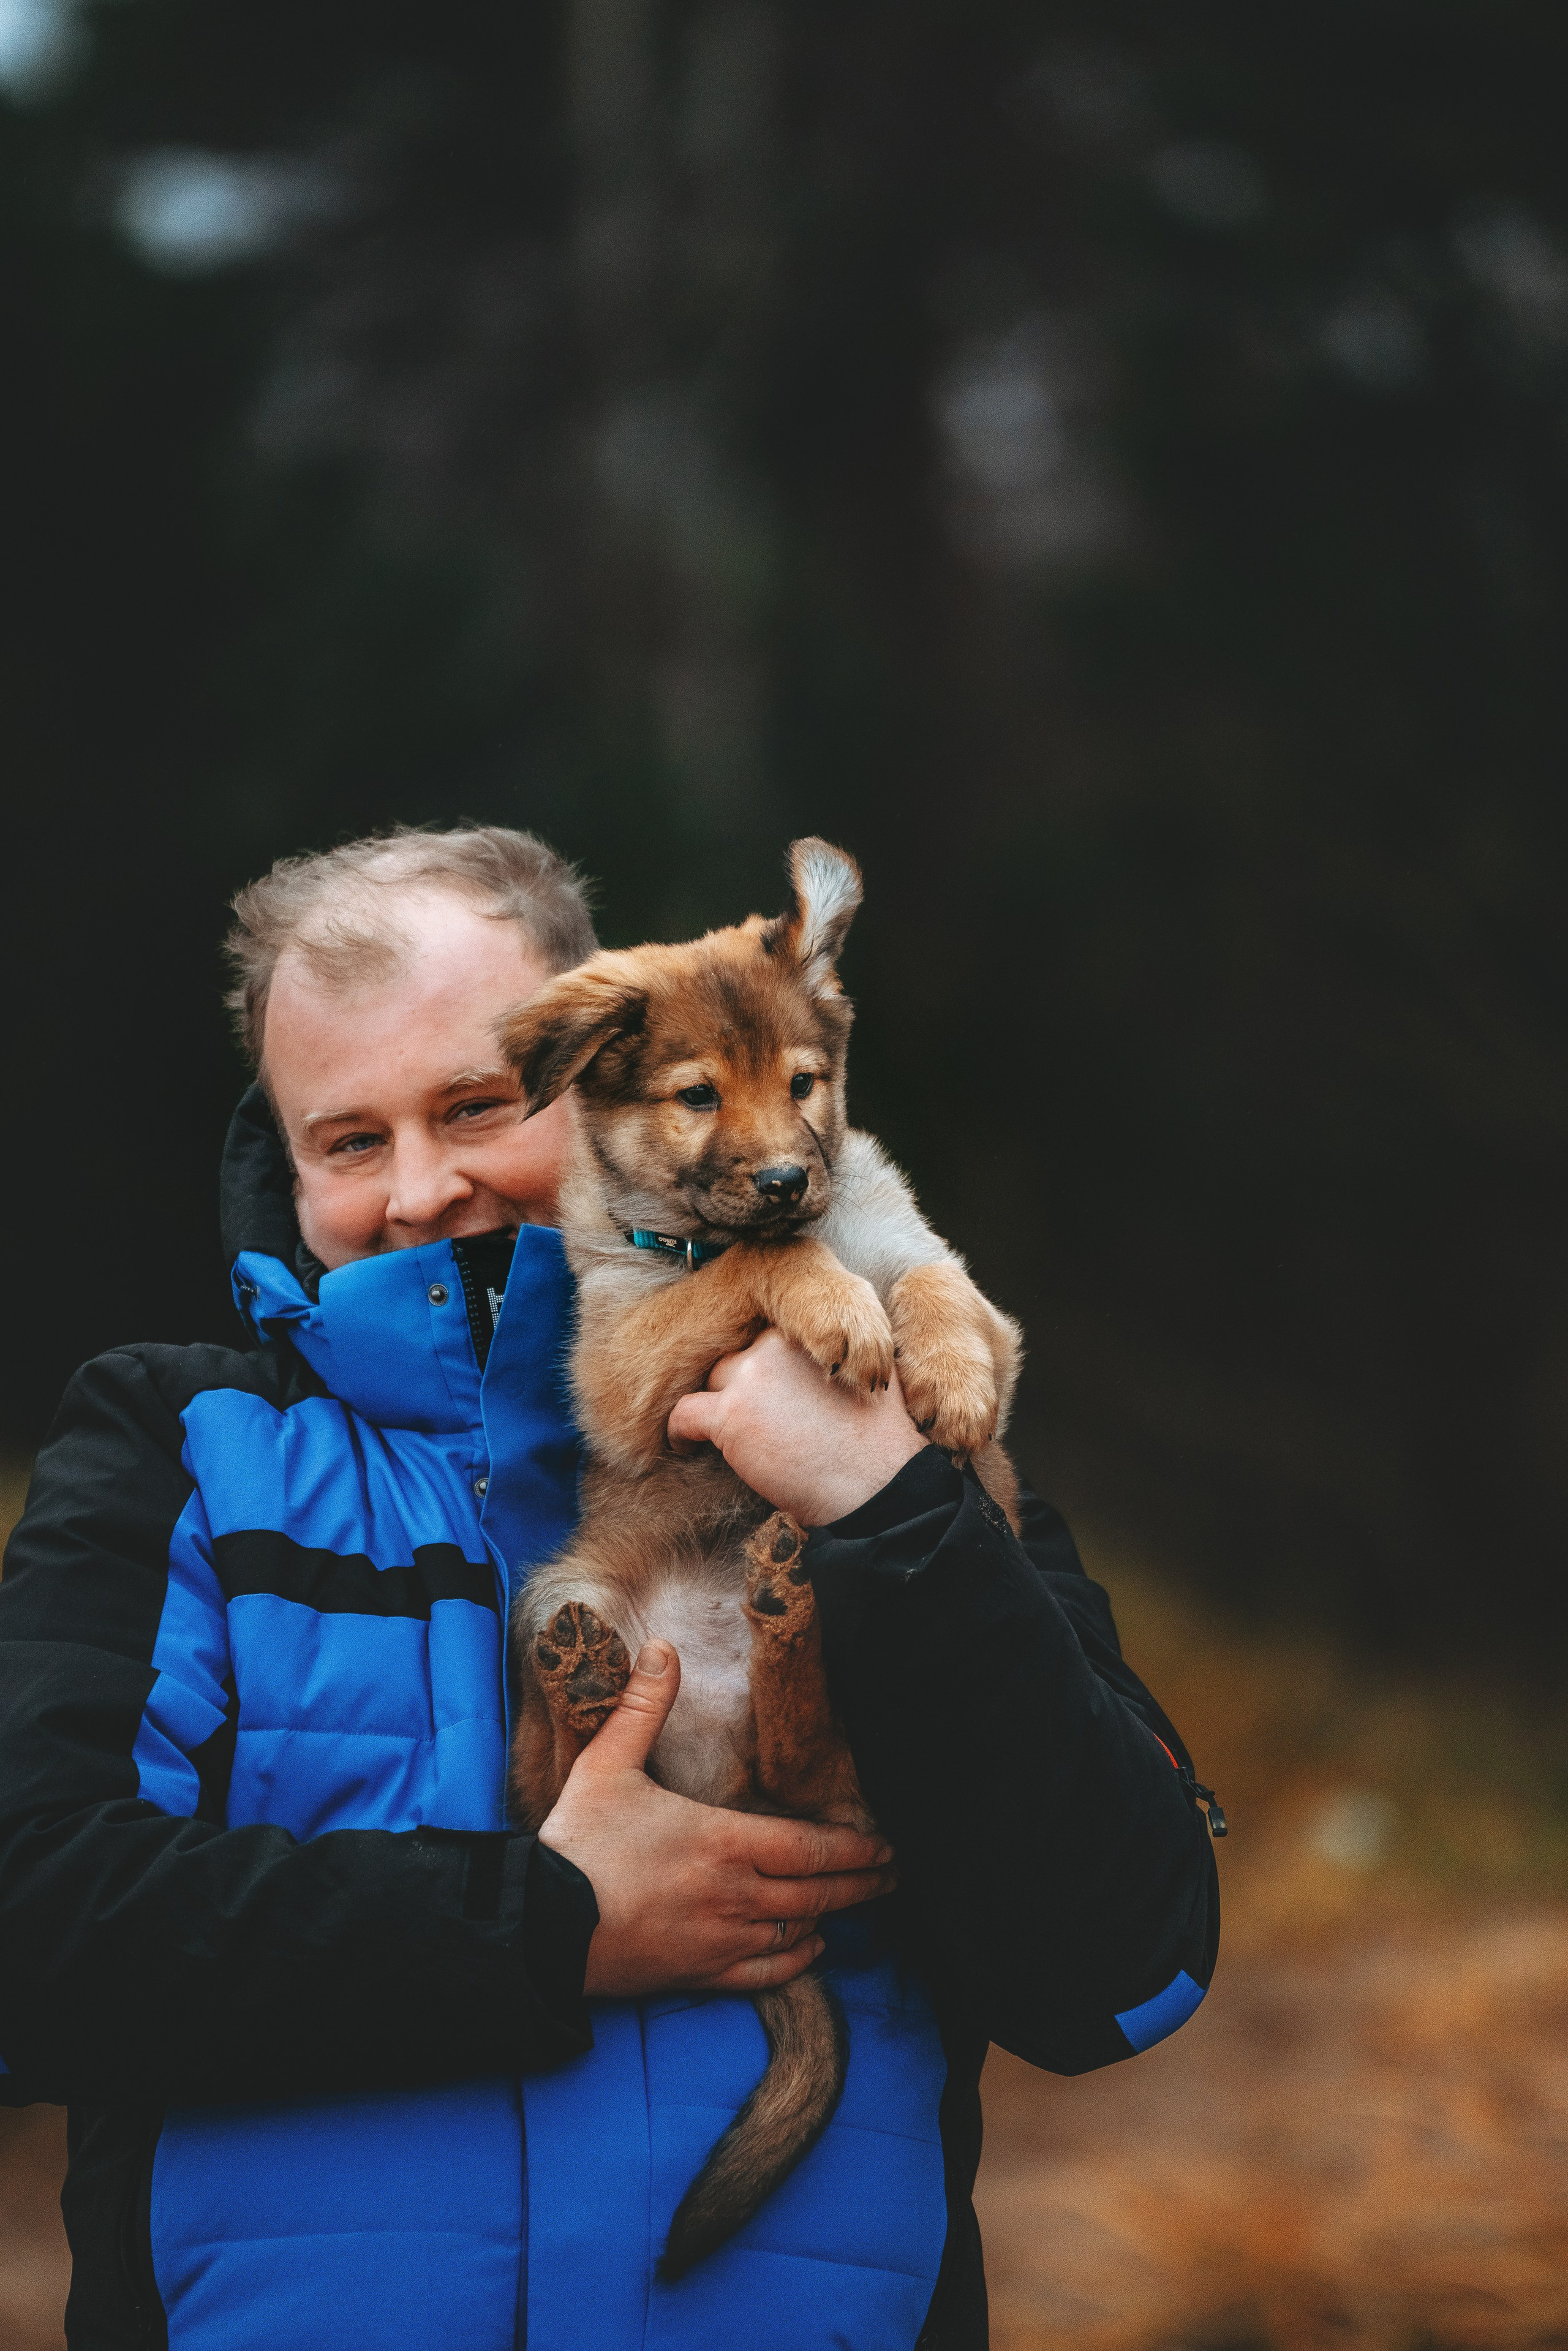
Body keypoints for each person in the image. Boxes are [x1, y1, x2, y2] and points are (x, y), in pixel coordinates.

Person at [0, 825, 1219, 2351]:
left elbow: (1127, 1969)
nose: (421, 1188)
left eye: (475, 1106)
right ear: (282, 1156)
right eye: (347, 1138)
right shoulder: (176, 1449)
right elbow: (29, 1937)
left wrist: (886, 1502)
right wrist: (546, 1923)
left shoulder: (882, 1417)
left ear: (598, 1079)